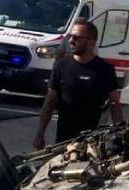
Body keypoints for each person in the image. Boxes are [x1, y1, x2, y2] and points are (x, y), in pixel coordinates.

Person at [32, 18, 122, 149]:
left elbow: (114, 104)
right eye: (70, 36)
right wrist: (40, 134)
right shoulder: (61, 67)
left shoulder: (105, 70)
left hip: (93, 143)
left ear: (91, 42)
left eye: (76, 37)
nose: (71, 40)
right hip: (63, 141)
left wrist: (119, 133)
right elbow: (50, 102)